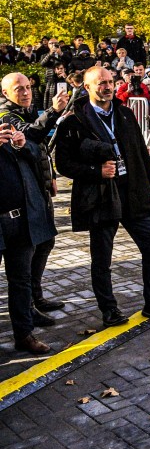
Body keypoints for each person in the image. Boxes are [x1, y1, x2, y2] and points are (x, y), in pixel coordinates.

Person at [54, 66, 150, 327]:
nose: (107, 87)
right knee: (102, 257)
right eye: (101, 83)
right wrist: (96, 171)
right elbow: (63, 164)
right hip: (101, 196)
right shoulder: (73, 122)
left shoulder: (124, 113)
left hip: (133, 191)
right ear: (87, 87)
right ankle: (109, 310)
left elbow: (141, 153)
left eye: (110, 82)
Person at [0, 73, 68, 319]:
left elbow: (41, 150)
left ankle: (35, 297)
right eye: (19, 89)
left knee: (46, 241)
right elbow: (32, 136)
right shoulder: (6, 116)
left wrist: (50, 177)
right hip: (23, 194)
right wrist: (53, 111)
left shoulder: (27, 110)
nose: (26, 92)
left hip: (39, 187)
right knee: (30, 249)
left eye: (28, 87)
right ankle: (27, 306)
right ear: (5, 93)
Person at [0, 119, 57, 353]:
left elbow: (36, 154)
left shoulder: (5, 124)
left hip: (20, 220)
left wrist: (21, 145)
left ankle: (24, 334)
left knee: (21, 280)